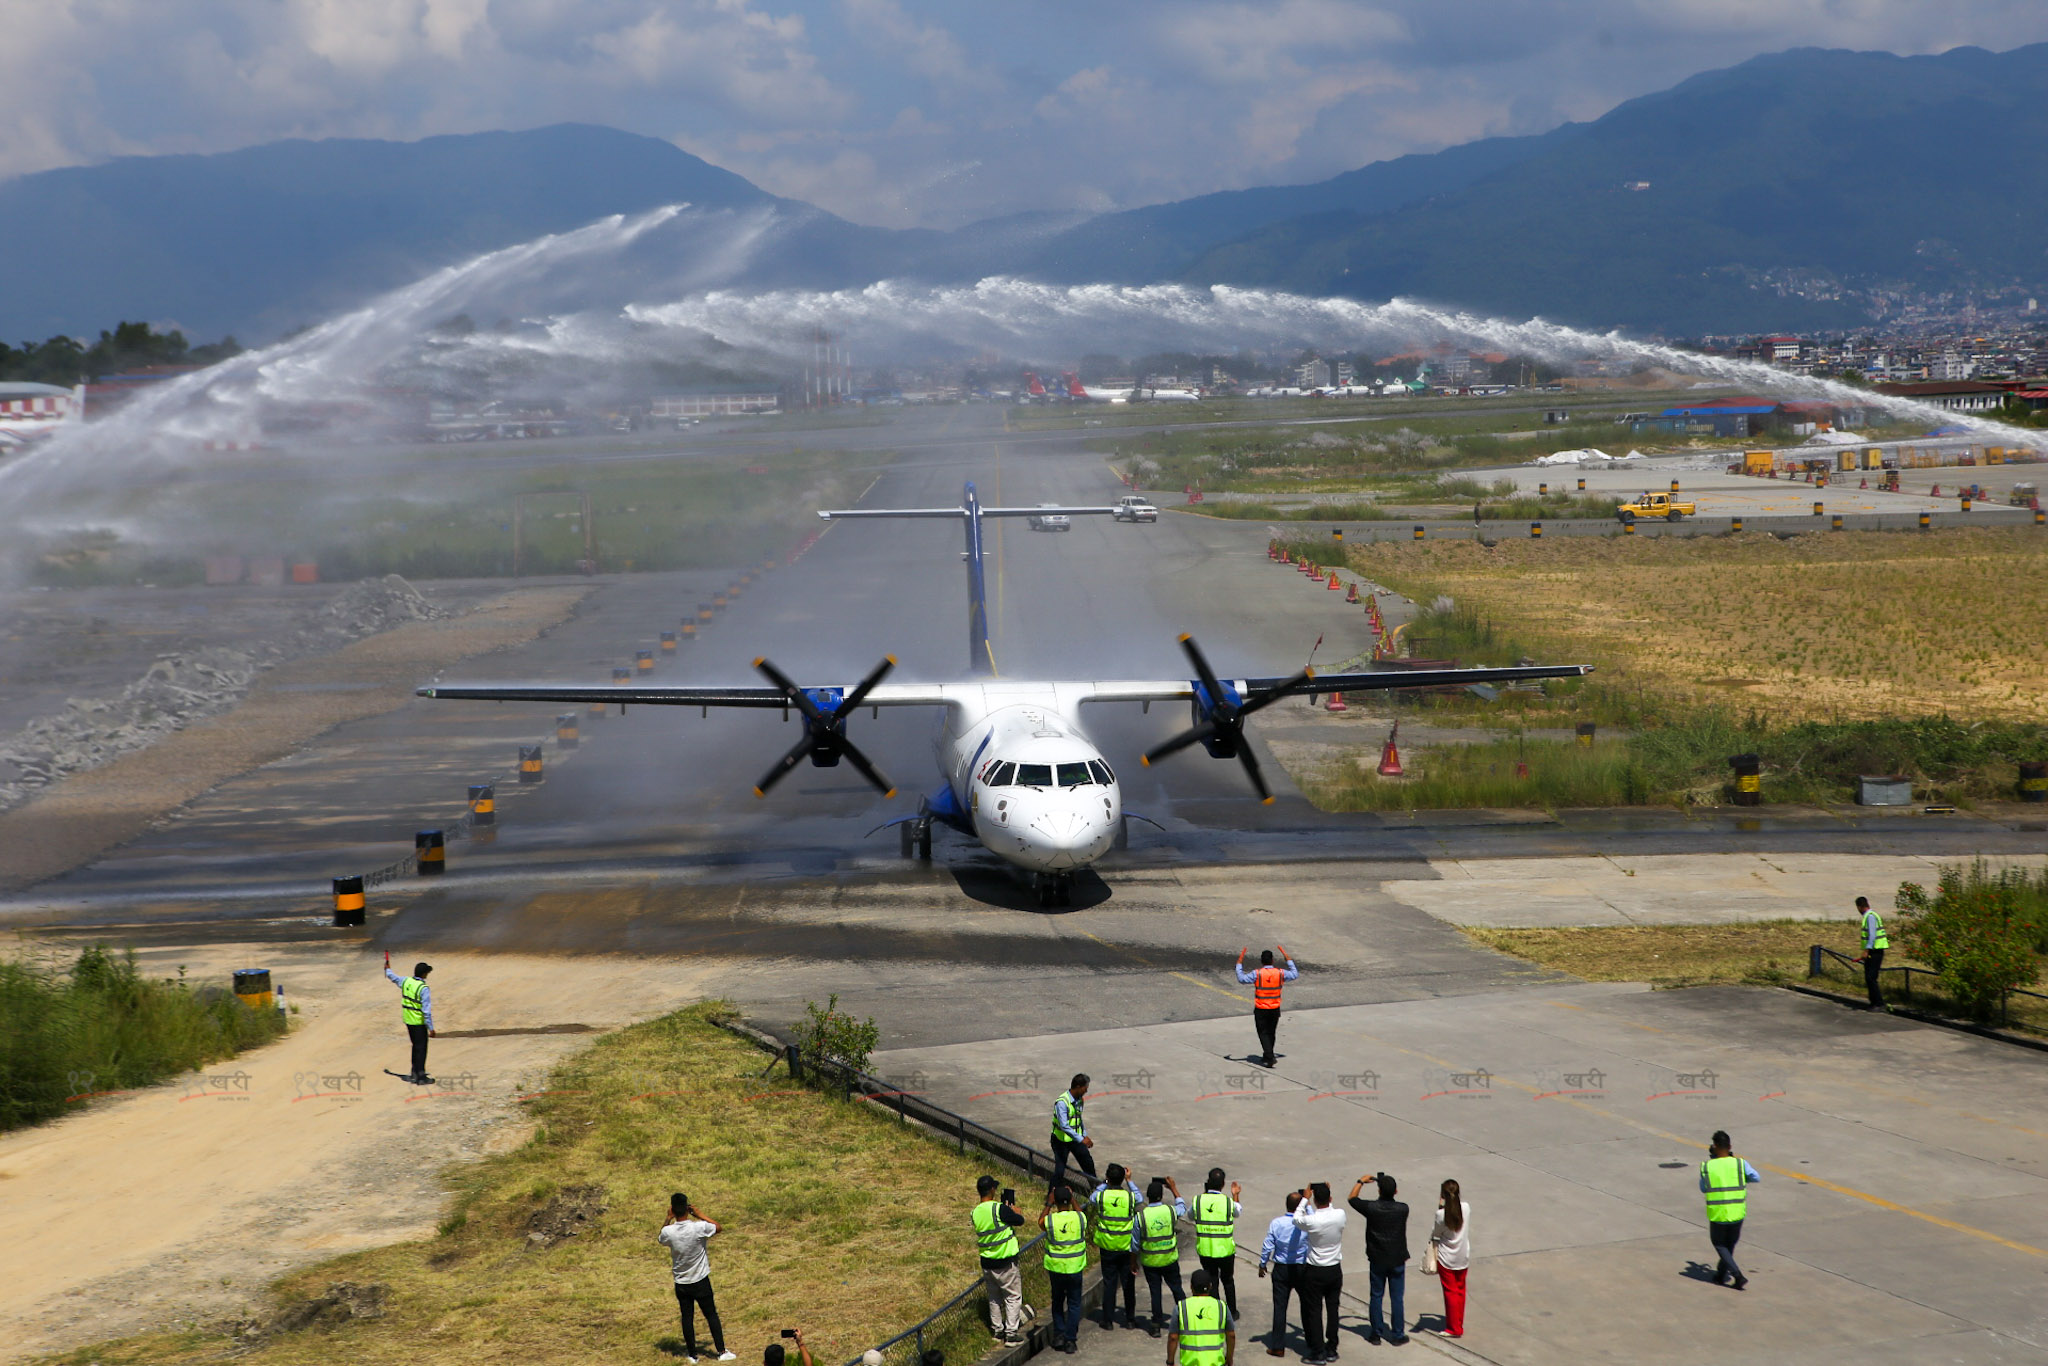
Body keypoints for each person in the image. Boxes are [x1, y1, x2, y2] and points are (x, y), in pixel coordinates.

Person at [659, 1193, 736, 1362]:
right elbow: (718, 1227)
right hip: (700, 1279)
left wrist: (667, 1218)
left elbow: (661, 1238)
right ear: (687, 1208)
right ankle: (722, 1351)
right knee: (711, 1315)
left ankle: (692, 1354)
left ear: (672, 1209)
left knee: (687, 1318)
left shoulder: (669, 1232)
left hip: (681, 1282)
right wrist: (700, 1214)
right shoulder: (698, 1227)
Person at [1348, 1173, 1409, 1346]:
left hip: (1377, 1258)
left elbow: (1352, 1198)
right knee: (1397, 1298)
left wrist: (1360, 1182)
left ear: (1379, 1190)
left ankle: (1376, 1333)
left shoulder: (1372, 1208)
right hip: (1397, 1258)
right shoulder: (1403, 1208)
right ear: (1396, 1191)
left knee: (1376, 1295)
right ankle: (1397, 1334)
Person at [1289, 1183, 1345, 1364]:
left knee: (1314, 1311)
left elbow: (1296, 1218)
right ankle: (1332, 1347)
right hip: (1335, 1269)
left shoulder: (1312, 1221)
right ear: (1330, 1199)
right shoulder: (1340, 1215)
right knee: (1333, 1309)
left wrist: (1305, 1198)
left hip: (1315, 1270)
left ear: (1314, 1200)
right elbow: (1332, 1209)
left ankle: (1318, 1350)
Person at [972, 1175, 1030, 1343]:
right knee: (1012, 1297)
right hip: (1005, 1262)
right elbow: (1020, 1221)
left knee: (994, 1298)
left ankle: (997, 1331)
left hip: (987, 1262)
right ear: (991, 1189)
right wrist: (1015, 1212)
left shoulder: (975, 1212)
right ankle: (1011, 1334)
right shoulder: (999, 1209)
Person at [1700, 1130, 1761, 1291]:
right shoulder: (1740, 1164)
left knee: (1719, 1244)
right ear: (1730, 1146)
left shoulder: (1708, 1166)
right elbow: (1756, 1177)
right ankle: (1721, 1274)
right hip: (1737, 1212)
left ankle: (1738, 1275)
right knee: (1729, 1245)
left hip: (1719, 1213)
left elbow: (1703, 1188)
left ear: (1714, 1147)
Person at [1092, 1164, 1144, 1331]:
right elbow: (1140, 1198)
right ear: (1122, 1178)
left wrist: (1105, 1182)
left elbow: (1092, 1197)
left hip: (1107, 1246)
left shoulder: (1101, 1196)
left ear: (1108, 1177)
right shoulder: (1129, 1198)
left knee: (1109, 1284)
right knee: (1128, 1284)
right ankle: (1129, 1319)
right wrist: (1129, 1181)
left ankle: (1107, 1320)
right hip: (1126, 1246)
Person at [1256, 1192, 1308, 1357]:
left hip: (1281, 1269)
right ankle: (1313, 1341)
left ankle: (1278, 1346)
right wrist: (1307, 1202)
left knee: (1280, 1308)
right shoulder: (1306, 1222)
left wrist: (1263, 1264)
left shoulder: (1277, 1223)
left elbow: (1268, 1245)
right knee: (1308, 1306)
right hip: (1301, 1268)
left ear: (1286, 1205)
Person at [1040, 1184, 1090, 1354]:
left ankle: (1059, 1334)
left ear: (1055, 1203)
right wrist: (1073, 1198)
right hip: (1075, 1268)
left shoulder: (1051, 1220)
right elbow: (1081, 1214)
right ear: (1069, 1201)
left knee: (1057, 1302)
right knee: (1074, 1304)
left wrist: (1048, 1204)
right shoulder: (1079, 1219)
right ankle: (1070, 1340)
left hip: (1056, 1269)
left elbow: (1040, 1222)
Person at [1138, 1176, 1189, 1337]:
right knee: (1177, 1289)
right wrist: (1173, 1188)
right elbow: (1182, 1207)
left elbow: (1134, 1243)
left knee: (1155, 1292)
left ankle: (1155, 1325)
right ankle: (1186, 1321)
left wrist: (1134, 1261)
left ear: (1148, 1196)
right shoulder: (1169, 1211)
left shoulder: (1142, 1216)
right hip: (1169, 1259)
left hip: (1150, 1261)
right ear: (1161, 1196)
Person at [1234, 946, 1298, 1067]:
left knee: (1263, 1033)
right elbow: (1294, 974)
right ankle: (1268, 1054)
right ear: (1272, 960)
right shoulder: (1280, 973)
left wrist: (1239, 963)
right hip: (1274, 1008)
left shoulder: (1257, 974)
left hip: (1261, 1008)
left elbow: (1241, 979)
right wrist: (1288, 959)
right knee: (1271, 1032)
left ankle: (1269, 1056)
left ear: (1261, 961)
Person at [1192, 1169, 1243, 1318]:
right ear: (1223, 1185)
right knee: (1228, 1280)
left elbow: (1190, 1215)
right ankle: (1232, 1311)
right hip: (1225, 1250)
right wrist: (1235, 1195)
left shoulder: (1198, 1200)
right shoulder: (1228, 1202)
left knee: (1212, 1281)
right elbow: (1238, 1212)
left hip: (1206, 1249)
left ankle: (1215, 1312)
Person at [1426, 1180, 1469, 1340]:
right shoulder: (1466, 1208)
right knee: (1460, 1290)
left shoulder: (1441, 1215)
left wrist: (1440, 1206)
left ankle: (1453, 1328)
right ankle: (1458, 1322)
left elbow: (1436, 1233)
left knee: (1450, 1292)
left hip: (1446, 1258)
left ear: (1443, 1195)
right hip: (1463, 1255)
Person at [1168, 1268, 1235, 1366]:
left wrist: (1170, 1361)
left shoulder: (1181, 1307)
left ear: (1191, 1287)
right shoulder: (1221, 1306)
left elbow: (1173, 1337)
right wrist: (1229, 1358)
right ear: (1210, 1286)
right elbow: (1231, 1335)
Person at [384, 958, 435, 1084]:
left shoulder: (406, 981)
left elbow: (393, 977)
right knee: (421, 1049)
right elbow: (426, 1011)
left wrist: (387, 969)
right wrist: (431, 1028)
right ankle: (421, 1077)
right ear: (424, 974)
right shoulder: (423, 988)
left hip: (408, 1020)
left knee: (415, 1047)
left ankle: (414, 1073)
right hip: (418, 1022)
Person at [1052, 1074, 1097, 1192]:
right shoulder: (1062, 1102)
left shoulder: (1079, 1100)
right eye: (1085, 1088)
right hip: (1060, 1141)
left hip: (1075, 1139)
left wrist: (1084, 1134)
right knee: (1060, 1170)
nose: (1086, 1090)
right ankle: (1051, 1197)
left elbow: (1078, 1119)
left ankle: (1096, 1193)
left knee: (1088, 1164)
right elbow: (1064, 1126)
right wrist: (1081, 1139)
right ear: (1078, 1087)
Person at [1855, 895, 1891, 1012]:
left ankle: (1879, 1003)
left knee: (1871, 977)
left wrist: (1866, 951)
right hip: (1874, 951)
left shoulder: (1870, 917)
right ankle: (1873, 1002)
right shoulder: (1871, 916)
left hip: (1875, 951)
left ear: (1860, 907)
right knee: (1869, 977)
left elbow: (1872, 936)